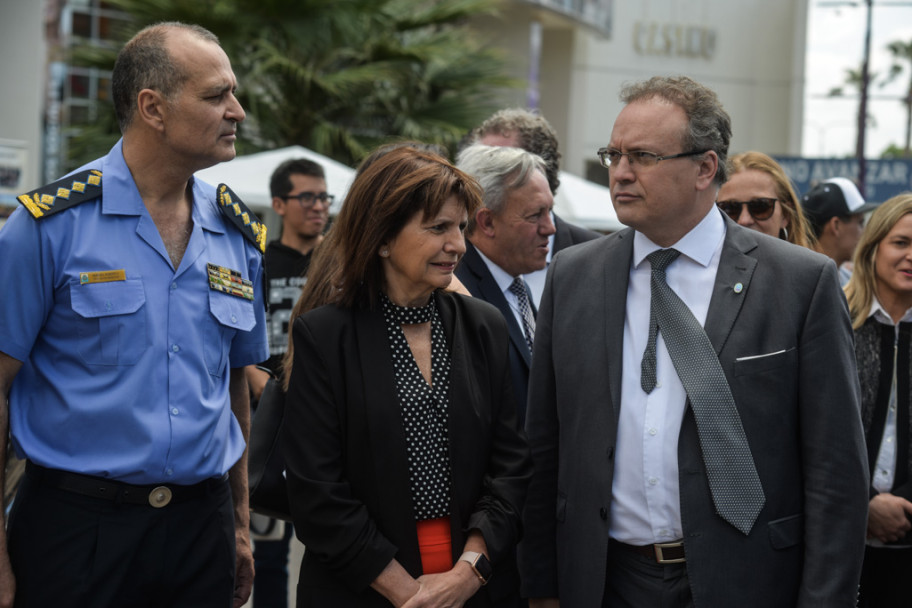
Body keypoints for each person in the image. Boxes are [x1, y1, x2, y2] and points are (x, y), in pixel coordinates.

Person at [520, 75, 869, 607]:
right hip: (605, 580)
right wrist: (542, 587)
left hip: (747, 580)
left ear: (706, 168)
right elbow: (543, 446)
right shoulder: (573, 275)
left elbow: (835, 474)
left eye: (642, 156)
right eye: (612, 155)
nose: (620, 173)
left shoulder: (801, 282)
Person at [0, 22, 267, 608]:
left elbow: (234, 387)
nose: (237, 111)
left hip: (203, 524)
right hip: (77, 527)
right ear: (154, 107)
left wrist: (241, 522)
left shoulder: (237, 233)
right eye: (217, 95)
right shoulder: (48, 227)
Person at [281, 146, 531, 606]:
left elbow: (511, 468)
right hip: (362, 590)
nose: (457, 244)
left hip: (476, 586)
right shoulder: (325, 336)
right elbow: (317, 494)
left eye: (460, 226)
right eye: (438, 227)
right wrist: (411, 595)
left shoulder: (483, 325)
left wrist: (466, 576)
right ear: (380, 238)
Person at [246, 158, 330, 608]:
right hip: (271, 416)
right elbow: (234, 334)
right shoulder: (257, 260)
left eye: (323, 197)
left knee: (331, 540)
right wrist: (258, 381)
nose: (318, 206)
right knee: (271, 544)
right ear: (279, 204)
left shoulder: (339, 260)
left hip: (327, 417)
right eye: (307, 197)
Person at [455, 144, 554, 427]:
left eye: (550, 212)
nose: (550, 228)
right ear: (486, 222)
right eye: (536, 215)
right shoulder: (458, 294)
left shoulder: (516, 285)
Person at [844, 193, 912, 607]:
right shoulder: (834, 319)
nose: (911, 256)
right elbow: (814, 431)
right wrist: (865, 503)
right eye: (901, 243)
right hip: (842, 538)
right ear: (873, 248)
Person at [466, 108, 600, 306]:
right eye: (480, 159)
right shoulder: (453, 267)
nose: (476, 175)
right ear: (486, 221)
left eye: (496, 161)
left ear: (540, 169)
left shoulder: (597, 259)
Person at [716, 151, 815, 248]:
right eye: (729, 208)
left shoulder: (813, 264)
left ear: (785, 215)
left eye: (760, 206)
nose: (744, 220)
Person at [802, 177, 879, 285]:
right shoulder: (800, 281)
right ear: (836, 225)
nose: (864, 231)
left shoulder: (849, 281)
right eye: (860, 223)